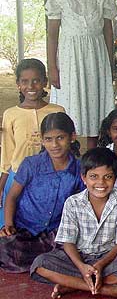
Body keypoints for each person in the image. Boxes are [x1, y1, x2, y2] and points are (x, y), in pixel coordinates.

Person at [30, 148, 117, 299]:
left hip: (108, 259)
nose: (101, 183)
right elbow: (68, 242)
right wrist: (81, 266)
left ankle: (72, 285)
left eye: (108, 177)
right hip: (77, 258)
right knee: (40, 265)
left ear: (116, 178)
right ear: (83, 178)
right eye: (93, 176)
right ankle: (107, 290)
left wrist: (100, 264)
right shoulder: (73, 203)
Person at [46, 0, 117, 149]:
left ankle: (93, 156)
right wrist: (52, 67)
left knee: (95, 104)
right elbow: (52, 35)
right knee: (71, 105)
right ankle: (70, 155)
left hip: (96, 56)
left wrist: (110, 64)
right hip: (69, 58)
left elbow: (108, 33)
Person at [0, 113, 83, 273]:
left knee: (73, 249)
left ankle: (45, 263)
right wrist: (9, 225)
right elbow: (12, 197)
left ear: (72, 137)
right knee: (5, 246)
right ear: (42, 140)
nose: (55, 145)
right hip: (25, 230)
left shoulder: (80, 169)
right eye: (49, 139)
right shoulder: (31, 164)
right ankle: (47, 265)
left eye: (60, 138)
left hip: (57, 235)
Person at [0, 59, 65, 227]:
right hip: (17, 177)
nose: (31, 86)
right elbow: (7, 156)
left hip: (50, 176)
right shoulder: (11, 114)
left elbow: (64, 146)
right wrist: (2, 185)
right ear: (18, 84)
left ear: (45, 82)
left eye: (36, 81)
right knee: (12, 223)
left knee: (43, 223)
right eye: (25, 81)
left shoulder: (57, 111)